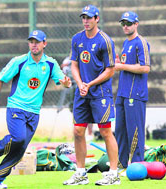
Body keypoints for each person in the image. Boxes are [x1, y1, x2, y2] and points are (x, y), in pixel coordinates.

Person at [0, 30, 71, 188]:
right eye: (31, 41)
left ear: (45, 44)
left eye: (37, 41)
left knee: (20, 149)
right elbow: (0, 79)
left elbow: (63, 80)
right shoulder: (20, 61)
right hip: (16, 107)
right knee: (18, 138)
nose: (34, 44)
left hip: (34, 112)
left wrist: (66, 83)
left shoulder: (50, 64)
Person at [63, 5, 120, 186]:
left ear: (97, 19)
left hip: (100, 93)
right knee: (78, 131)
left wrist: (90, 84)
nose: (86, 21)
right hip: (82, 93)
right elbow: (74, 64)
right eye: (83, 18)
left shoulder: (105, 40)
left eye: (89, 18)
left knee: (105, 131)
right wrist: (80, 84)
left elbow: (110, 70)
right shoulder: (76, 38)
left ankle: (113, 173)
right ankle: (81, 173)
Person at [114, 11, 150, 176]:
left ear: (136, 23)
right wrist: (118, 64)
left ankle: (137, 166)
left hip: (135, 94)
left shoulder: (141, 42)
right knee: (120, 131)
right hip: (122, 93)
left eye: (129, 23)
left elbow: (145, 67)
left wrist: (121, 66)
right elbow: (124, 65)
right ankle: (121, 165)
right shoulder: (125, 43)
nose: (126, 26)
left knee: (134, 131)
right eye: (123, 23)